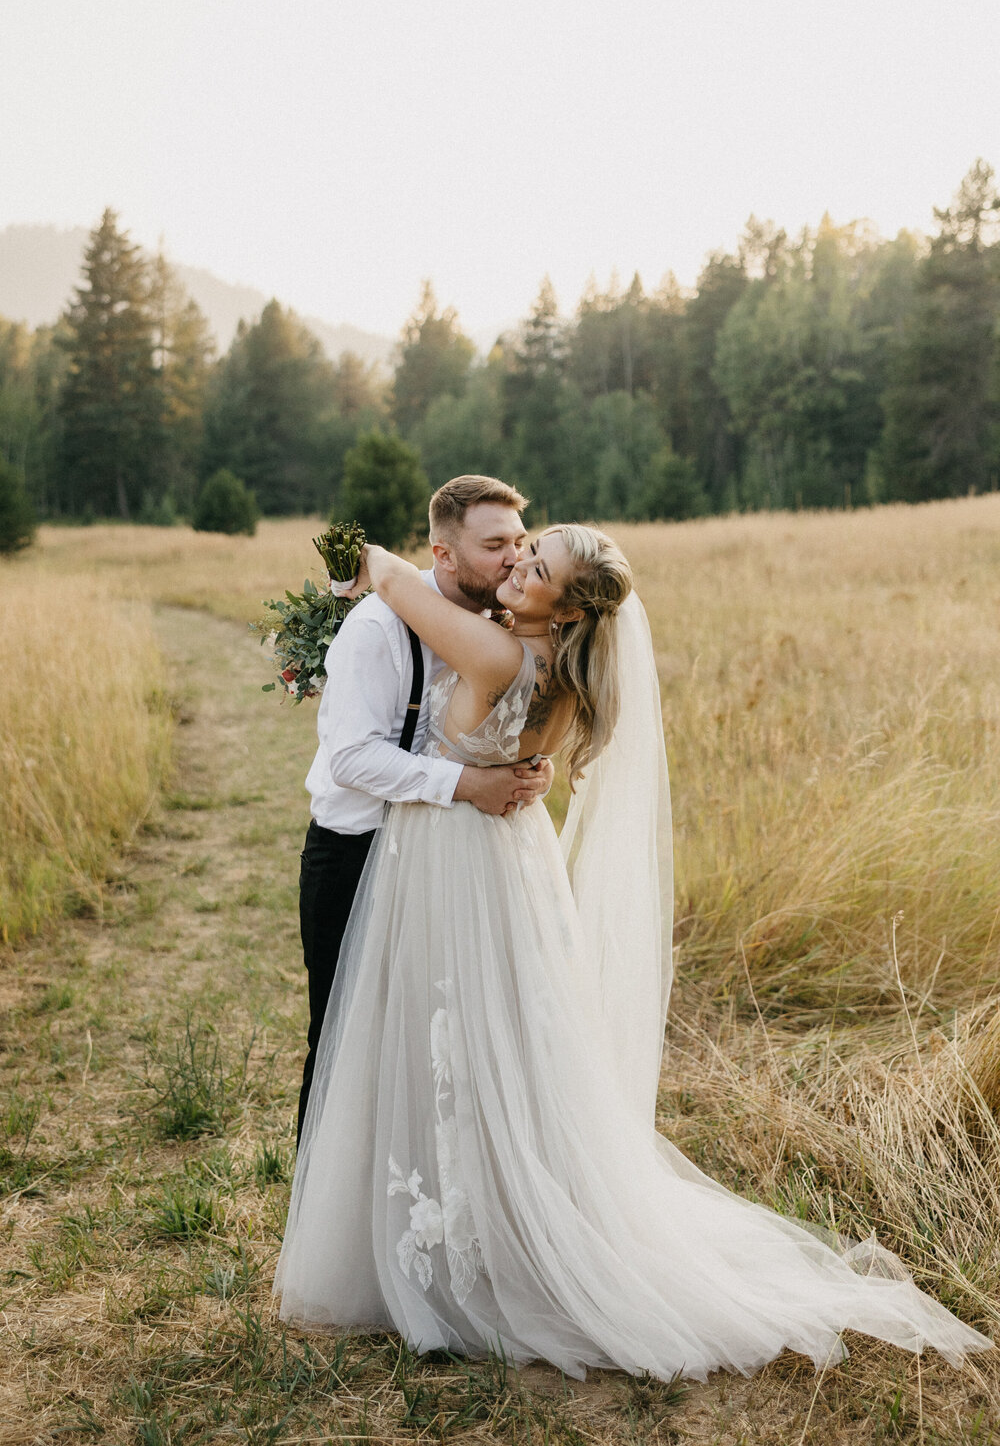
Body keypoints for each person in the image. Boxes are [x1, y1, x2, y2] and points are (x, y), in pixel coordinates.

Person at [275, 524, 991, 1380]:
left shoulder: (500, 659)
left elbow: (390, 579)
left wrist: (373, 561)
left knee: (452, 1038)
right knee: (491, 1044)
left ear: (569, 605)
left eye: (534, 564)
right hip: (510, 859)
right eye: (518, 550)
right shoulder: (564, 674)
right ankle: (481, 1216)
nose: (517, 565)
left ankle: (470, 1246)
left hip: (456, 862)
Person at [296, 475, 554, 1142]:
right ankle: (323, 1222)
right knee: (343, 1042)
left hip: (443, 863)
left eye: (519, 542)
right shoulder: (378, 627)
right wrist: (469, 783)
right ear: (444, 554)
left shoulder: (504, 622)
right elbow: (351, 759)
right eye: (495, 544)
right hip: (356, 859)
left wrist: (528, 767)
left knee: (432, 1041)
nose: (514, 559)